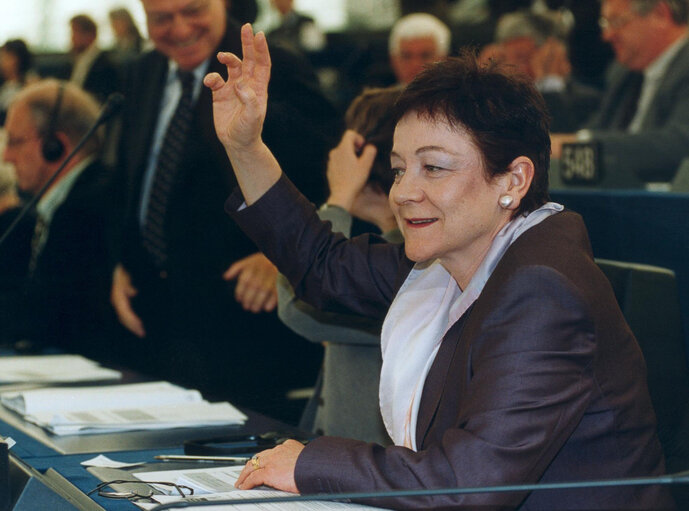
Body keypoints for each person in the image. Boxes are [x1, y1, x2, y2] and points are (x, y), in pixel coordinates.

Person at [205, 25, 673, 509]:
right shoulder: (454, 260)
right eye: (400, 167)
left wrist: (310, 464)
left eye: (434, 168)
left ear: (512, 179)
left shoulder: (540, 290)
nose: (404, 191)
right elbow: (323, 266)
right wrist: (246, 147)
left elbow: (472, 483)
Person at [109, 0, 339, 414]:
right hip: (154, 317)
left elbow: (332, 172)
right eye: (161, 18)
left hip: (238, 326)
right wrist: (122, 261)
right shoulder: (143, 72)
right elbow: (131, 178)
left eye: (192, 11)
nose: (179, 29)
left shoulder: (272, 65)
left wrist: (284, 256)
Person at [277, 86, 403, 445]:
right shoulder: (383, 246)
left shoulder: (415, 262)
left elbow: (299, 306)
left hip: (370, 471)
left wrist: (339, 199)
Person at [2, 80, 118, 355]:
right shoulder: (69, 199)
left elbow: (48, 314)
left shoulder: (89, 205)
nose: (7, 157)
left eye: (15, 142)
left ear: (56, 145)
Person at [551, 0, 689, 183]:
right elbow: (598, 128)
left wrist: (578, 145)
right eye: (605, 24)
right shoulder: (623, 73)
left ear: (660, 14)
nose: (607, 35)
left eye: (616, 22)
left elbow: (679, 144)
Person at [479, 9, 601, 132]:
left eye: (522, 58)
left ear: (549, 54)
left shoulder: (587, 101)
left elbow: (557, 140)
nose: (511, 69)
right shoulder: (499, 100)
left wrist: (549, 83)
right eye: (505, 59)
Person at [388, 13, 452, 85]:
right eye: (406, 56)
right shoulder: (379, 96)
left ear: (444, 59)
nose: (415, 65)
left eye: (425, 56)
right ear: (393, 61)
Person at [69, 14, 120, 103]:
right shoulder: (76, 60)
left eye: (75, 33)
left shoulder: (105, 66)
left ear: (90, 35)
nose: (72, 38)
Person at [0, 39, 37, 125]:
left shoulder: (30, 84)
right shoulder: (3, 85)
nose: (2, 61)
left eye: (7, 57)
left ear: (18, 59)